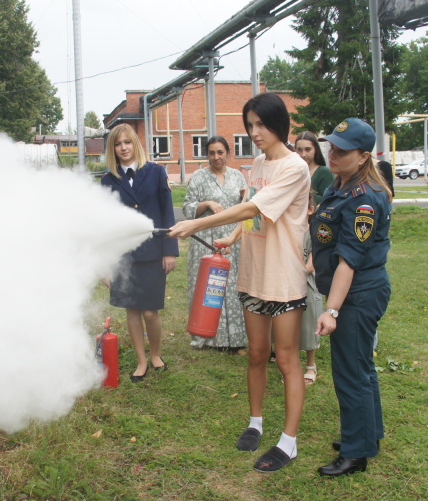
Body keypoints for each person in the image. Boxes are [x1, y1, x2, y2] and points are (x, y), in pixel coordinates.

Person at [169, 93, 310, 473]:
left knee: (286, 359)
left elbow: (252, 207)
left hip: (283, 278)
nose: (255, 132)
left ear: (279, 124)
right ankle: (255, 422)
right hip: (252, 274)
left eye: (261, 125)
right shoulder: (259, 164)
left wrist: (197, 223)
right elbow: (255, 219)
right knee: (256, 354)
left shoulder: (295, 167)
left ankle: (289, 441)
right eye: (250, 126)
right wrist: (233, 238)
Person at [311, 118, 392, 477]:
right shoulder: (343, 185)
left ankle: (356, 453)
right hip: (353, 292)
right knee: (361, 368)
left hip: (356, 294)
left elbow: (349, 261)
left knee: (351, 372)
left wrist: (331, 310)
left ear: (363, 157)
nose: (333, 153)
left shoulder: (365, 200)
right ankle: (368, 435)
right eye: (331, 146)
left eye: (342, 151)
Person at [100, 124, 178, 382]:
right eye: (118, 144)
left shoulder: (156, 172)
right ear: (113, 149)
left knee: (150, 311)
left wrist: (170, 250)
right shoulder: (107, 180)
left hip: (154, 251)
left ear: (136, 144)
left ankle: (155, 353)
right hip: (124, 256)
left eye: (128, 142)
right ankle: (141, 361)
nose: (123, 148)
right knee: (132, 310)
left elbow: (167, 211)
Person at [182, 136, 247, 350]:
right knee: (209, 287)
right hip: (206, 240)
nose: (216, 157)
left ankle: (235, 338)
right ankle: (208, 335)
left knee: (232, 285)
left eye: (220, 152)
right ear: (206, 155)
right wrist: (207, 203)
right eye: (211, 153)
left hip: (231, 241)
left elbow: (246, 206)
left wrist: (245, 196)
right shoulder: (199, 177)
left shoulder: (238, 176)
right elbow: (187, 208)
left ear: (228, 153)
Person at [300, 191, 320, 386]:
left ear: (310, 210)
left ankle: (310, 365)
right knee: (289, 329)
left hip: (307, 287)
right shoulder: (288, 233)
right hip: (286, 288)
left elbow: (311, 265)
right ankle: (291, 365)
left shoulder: (314, 233)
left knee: (309, 326)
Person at [294, 131, 333, 204]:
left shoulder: (324, 172)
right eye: (299, 150)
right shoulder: (291, 171)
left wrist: (307, 191)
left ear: (316, 150)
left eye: (308, 149)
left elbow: (327, 201)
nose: (303, 154)